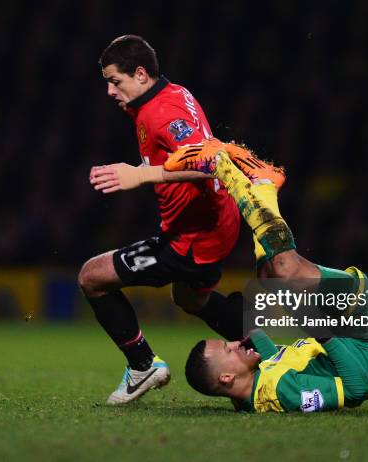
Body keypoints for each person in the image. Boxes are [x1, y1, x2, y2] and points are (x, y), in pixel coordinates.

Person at [164, 139, 368, 412]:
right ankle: (231, 174)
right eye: (227, 349)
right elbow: (358, 389)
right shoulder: (283, 393)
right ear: (226, 377)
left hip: (353, 324)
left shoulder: (254, 394)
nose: (234, 343)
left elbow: (274, 363)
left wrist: (253, 331)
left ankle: (264, 186)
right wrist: (323, 334)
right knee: (284, 271)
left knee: (271, 276)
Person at [79, 35, 248, 405]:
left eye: (115, 81)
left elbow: (211, 164)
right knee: (190, 297)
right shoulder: (165, 95)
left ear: (141, 74)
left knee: (92, 278)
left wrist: (142, 175)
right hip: (218, 222)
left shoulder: (163, 114)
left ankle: (142, 366)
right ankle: (263, 348)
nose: (109, 90)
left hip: (192, 236)